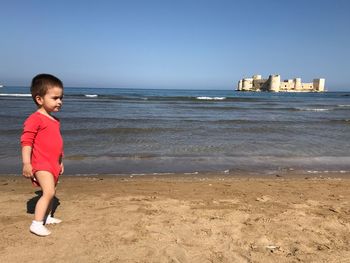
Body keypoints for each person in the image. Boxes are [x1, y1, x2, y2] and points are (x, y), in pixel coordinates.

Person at [21, 73, 64, 236]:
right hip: (41, 163)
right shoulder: (35, 119)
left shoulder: (55, 120)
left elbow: (58, 143)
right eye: (54, 98)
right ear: (39, 99)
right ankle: (36, 223)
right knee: (49, 192)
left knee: (52, 191)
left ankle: (47, 216)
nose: (59, 101)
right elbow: (26, 142)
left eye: (61, 97)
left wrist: (60, 161)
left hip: (53, 163)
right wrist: (26, 163)